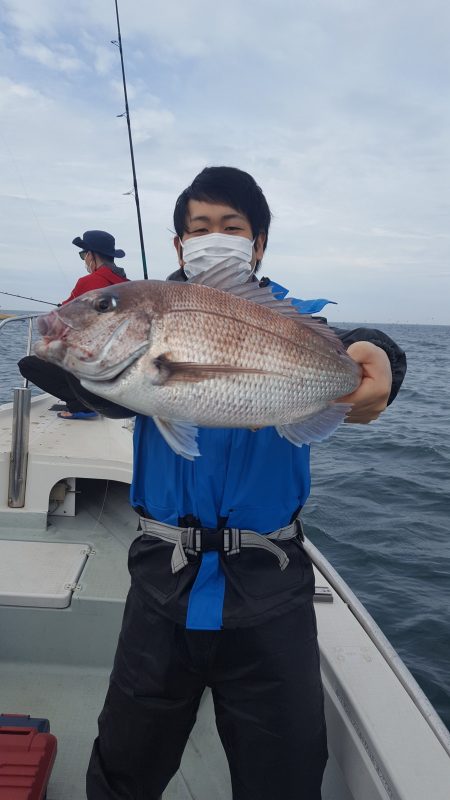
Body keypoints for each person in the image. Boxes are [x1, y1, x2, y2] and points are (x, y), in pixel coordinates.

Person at [85, 167, 407, 800]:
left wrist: (383, 359)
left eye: (232, 228)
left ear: (257, 245)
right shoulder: (147, 313)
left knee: (284, 779)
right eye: (198, 228)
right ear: (178, 245)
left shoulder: (291, 317)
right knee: (123, 770)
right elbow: (86, 377)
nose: (214, 238)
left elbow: (357, 345)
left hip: (270, 586)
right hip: (161, 580)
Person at [18, 230, 129, 420]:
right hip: (120, 374)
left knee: (28, 365)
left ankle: (82, 405)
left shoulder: (88, 282)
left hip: (91, 369)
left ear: (92, 255)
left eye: (83, 254)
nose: (84, 260)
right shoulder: (126, 284)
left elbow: (60, 320)